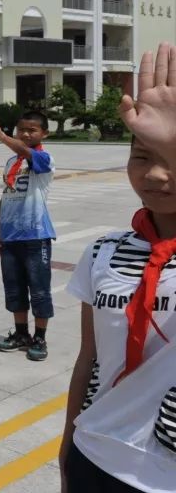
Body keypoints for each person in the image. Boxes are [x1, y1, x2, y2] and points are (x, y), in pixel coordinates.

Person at [60, 42, 176, 493]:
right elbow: (89, 360)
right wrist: (69, 444)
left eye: (170, 158)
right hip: (96, 454)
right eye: (141, 156)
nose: (155, 175)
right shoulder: (103, 252)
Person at [0, 110, 56, 361]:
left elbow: (28, 153)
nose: (25, 134)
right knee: (14, 289)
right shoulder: (11, 162)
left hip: (35, 235)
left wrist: (1, 136)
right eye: (21, 129)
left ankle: (40, 338)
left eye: (32, 130)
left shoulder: (43, 158)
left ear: (44, 133)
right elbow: (7, 193)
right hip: (10, 235)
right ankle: (21, 333)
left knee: (39, 290)